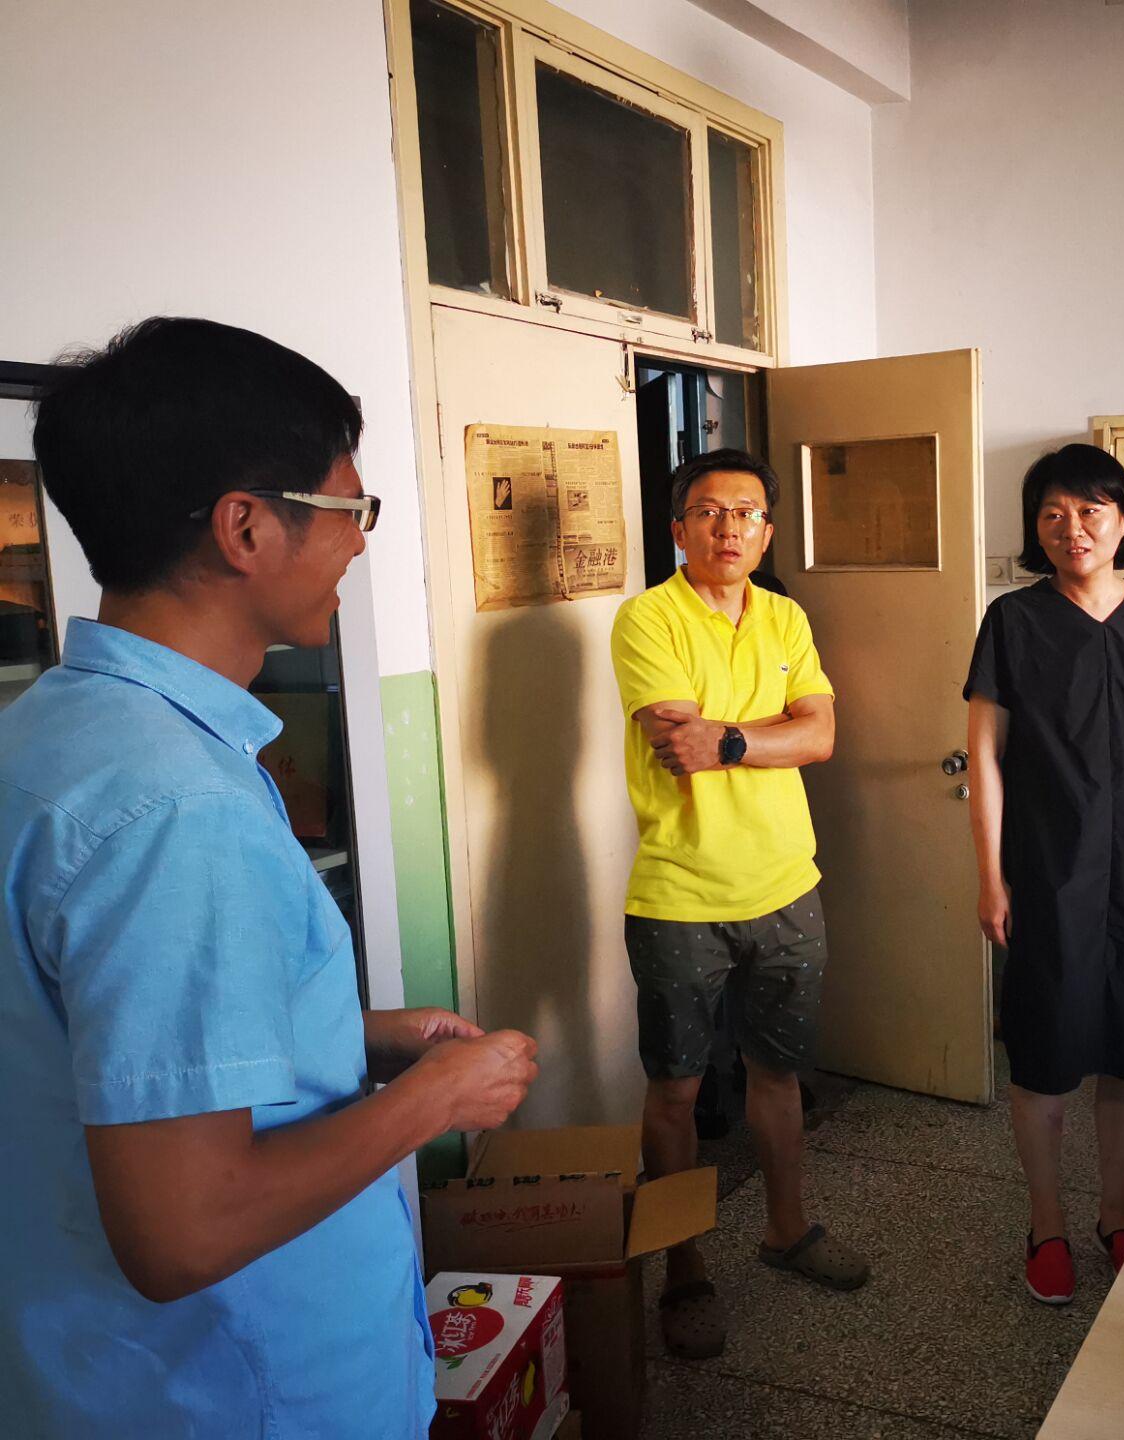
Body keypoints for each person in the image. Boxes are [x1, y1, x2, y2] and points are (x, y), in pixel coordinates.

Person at [0, 318, 538, 1438]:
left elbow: (95, 1043)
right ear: (246, 527)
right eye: (349, 509)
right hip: (241, 1393)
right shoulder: (177, 808)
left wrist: (354, 1037)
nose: (357, 545)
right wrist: (435, 1099)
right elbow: (185, 1230)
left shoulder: (56, 733)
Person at [609, 448, 867, 1361]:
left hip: (788, 883)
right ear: (678, 528)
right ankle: (683, 1269)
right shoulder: (648, 617)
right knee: (676, 1087)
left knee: (777, 1073)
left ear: (767, 531)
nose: (729, 528)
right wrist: (768, 732)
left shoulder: (786, 616)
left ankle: (786, 1230)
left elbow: (822, 735)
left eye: (747, 513)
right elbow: (678, 743)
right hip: (679, 893)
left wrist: (726, 738)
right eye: (709, 512)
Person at [964, 443, 1124, 1306]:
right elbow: (985, 756)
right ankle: (1046, 1224)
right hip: (1046, 864)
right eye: (1052, 513)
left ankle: (1114, 1213)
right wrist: (991, 876)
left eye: (1089, 511)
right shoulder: (1014, 620)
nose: (1071, 528)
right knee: (1043, 1052)